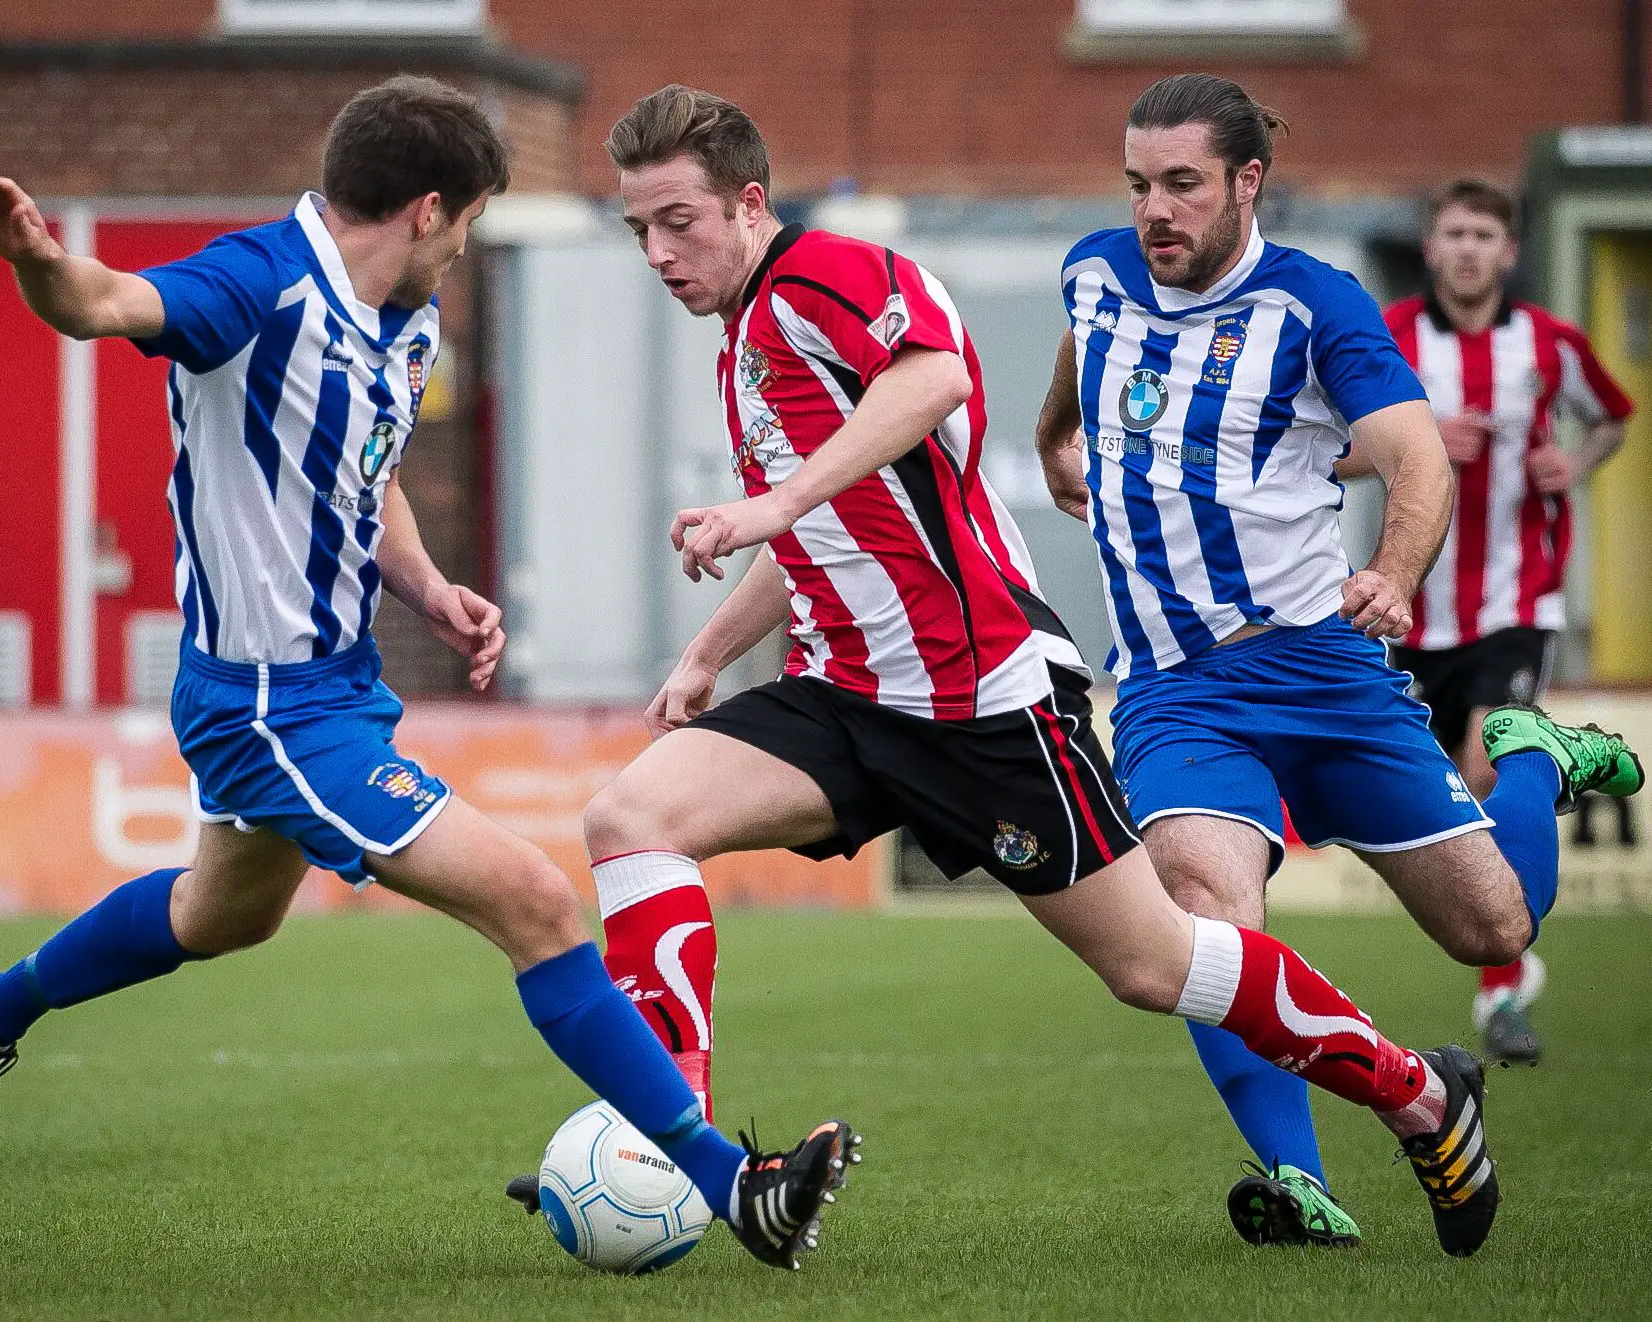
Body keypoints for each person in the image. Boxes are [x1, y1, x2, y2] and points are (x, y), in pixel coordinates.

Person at [510, 82, 1514, 1261]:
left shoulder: (825, 274)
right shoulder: (747, 336)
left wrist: (769, 499)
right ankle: (691, 1154)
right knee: (631, 817)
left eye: (677, 220)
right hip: (847, 692)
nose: (658, 251)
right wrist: (706, 654)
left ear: (747, 202)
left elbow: (933, 380)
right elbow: (840, 525)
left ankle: (1416, 1092)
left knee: (1156, 963)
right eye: (638, 229)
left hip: (983, 698)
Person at [0, 76, 854, 1271]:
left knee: (220, 914)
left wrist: (427, 586)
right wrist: (34, 256)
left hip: (335, 685)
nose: (463, 252)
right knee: (540, 903)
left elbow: (369, 472)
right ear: (427, 206)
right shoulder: (256, 284)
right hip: (267, 701)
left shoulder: (403, 319)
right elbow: (101, 303)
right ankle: (735, 1186)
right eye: (467, 228)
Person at [1032, 73, 1641, 1251]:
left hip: (1322, 669)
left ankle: (1530, 759)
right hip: (1172, 689)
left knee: (1495, 931)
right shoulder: (1098, 268)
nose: (1155, 211)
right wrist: (1058, 433)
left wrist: (1400, 576)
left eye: (1183, 187)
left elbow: (1418, 460)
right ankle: (1300, 1180)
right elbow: (1081, 344)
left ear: (1248, 181)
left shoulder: (1319, 307)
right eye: (1139, 185)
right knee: (1206, 924)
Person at [1375, 179, 1633, 1066]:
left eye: (1485, 233)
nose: (1470, 248)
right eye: (1453, 232)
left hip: (1515, 602)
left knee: (1487, 761)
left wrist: (1578, 459)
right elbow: (1326, 449)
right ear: (1431, 246)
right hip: (1410, 602)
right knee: (1441, 799)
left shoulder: (1550, 344)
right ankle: (1502, 960)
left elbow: (1615, 417)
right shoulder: (1389, 337)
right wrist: (1409, 442)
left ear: (1509, 250)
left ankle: (1501, 986)